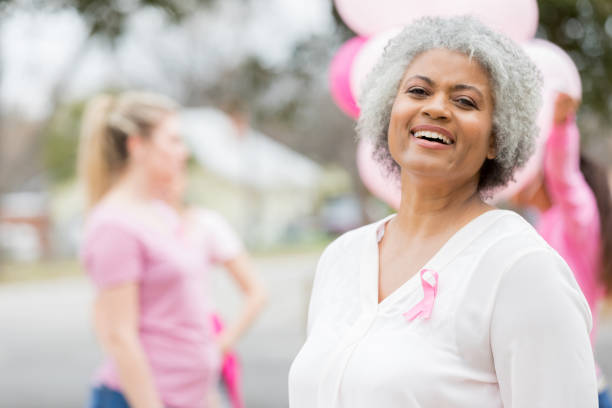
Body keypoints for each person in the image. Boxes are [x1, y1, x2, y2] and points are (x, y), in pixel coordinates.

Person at [289, 16, 597, 407]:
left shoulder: (522, 269)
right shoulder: (341, 258)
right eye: (418, 90)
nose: (436, 108)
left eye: (465, 101)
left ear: (496, 138)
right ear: (389, 112)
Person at [78, 91, 266, 408]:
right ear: (137, 146)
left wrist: (204, 392)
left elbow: (185, 314)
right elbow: (119, 338)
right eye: (174, 140)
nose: (184, 152)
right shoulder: (113, 226)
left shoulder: (161, 214)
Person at [509, 91, 612, 407]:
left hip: (578, 390)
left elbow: (564, 175)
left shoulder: (577, 219)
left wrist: (562, 124)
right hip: (545, 388)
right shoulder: (543, 221)